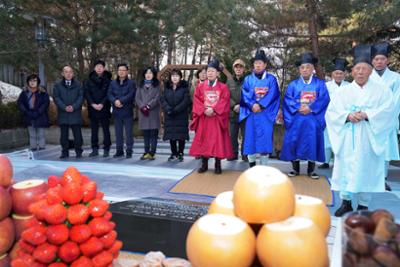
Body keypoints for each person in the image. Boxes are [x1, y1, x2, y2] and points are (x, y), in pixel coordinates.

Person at [326, 44, 395, 216]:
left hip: (369, 137)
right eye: (357, 69)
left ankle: (363, 204)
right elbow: (331, 113)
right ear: (352, 71)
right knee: (345, 166)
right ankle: (346, 202)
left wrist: (367, 114)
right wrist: (347, 116)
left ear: (371, 71)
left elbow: (389, 111)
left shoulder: (382, 91)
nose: (360, 72)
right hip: (348, 137)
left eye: (364, 69)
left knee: (367, 168)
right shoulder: (344, 92)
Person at [281, 52, 330, 179]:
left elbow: (324, 99)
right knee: (294, 141)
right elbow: (287, 100)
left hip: (312, 119)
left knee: (312, 141)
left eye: (308, 67)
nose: (305, 69)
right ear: (299, 70)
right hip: (296, 119)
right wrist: (298, 107)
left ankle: (311, 170)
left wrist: (310, 108)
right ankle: (295, 169)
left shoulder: (320, 84)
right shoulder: (293, 85)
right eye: (302, 67)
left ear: (313, 68)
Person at [189, 59, 234, 174]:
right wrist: (204, 110)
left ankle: (217, 164)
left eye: (212, 71)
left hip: (216, 118)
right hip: (204, 118)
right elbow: (197, 100)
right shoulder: (200, 86)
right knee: (204, 140)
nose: (210, 73)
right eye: (208, 71)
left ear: (218, 73)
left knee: (217, 141)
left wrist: (214, 109)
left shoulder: (223, 87)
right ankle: (204, 164)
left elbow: (225, 100)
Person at [239, 50, 280, 167]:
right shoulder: (248, 79)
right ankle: (252, 167)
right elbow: (245, 94)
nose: (257, 65)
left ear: (265, 65)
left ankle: (263, 168)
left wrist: (261, 105)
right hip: (252, 114)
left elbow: (273, 94)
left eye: (260, 63)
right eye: (255, 63)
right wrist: (252, 105)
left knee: (265, 141)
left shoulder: (271, 79)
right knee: (250, 140)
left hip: (265, 115)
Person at [369, 42, 400, 191]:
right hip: (369, 120)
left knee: (385, 150)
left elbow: (397, 101)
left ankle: (382, 179)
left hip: (388, 120)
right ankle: (369, 178)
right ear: (372, 61)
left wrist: (384, 116)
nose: (379, 62)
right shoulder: (366, 77)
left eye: (382, 59)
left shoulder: (396, 78)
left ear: (387, 60)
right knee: (370, 150)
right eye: (376, 59)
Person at [318, 58, 350, 169]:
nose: (338, 75)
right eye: (336, 73)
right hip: (329, 116)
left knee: (342, 140)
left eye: (341, 73)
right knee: (327, 139)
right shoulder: (326, 86)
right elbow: (322, 101)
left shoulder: (349, 86)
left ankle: (339, 162)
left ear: (345, 74)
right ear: (332, 74)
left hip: (344, 117)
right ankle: (326, 162)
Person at [53, 66, 84, 159]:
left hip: (75, 113)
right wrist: (64, 107)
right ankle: (64, 152)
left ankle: (79, 151)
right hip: (63, 113)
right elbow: (56, 98)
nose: (68, 74)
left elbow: (81, 97)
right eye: (66, 72)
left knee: (78, 135)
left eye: (70, 72)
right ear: (62, 74)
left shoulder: (78, 84)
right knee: (64, 135)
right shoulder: (57, 85)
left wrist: (73, 107)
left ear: (73, 73)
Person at [84, 60, 112, 157]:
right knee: (94, 130)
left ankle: (106, 149)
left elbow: (109, 93)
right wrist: (92, 104)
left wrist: (102, 104)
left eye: (101, 66)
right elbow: (87, 93)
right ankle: (94, 149)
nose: (99, 68)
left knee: (106, 130)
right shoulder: (89, 81)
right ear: (94, 68)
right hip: (93, 108)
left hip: (104, 108)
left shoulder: (108, 80)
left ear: (104, 68)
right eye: (97, 66)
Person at [161, 69, 190, 162]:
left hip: (181, 115)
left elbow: (186, 101)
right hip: (169, 115)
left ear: (180, 77)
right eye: (173, 76)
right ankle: (173, 153)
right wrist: (168, 109)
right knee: (171, 135)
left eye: (177, 76)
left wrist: (176, 110)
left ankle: (180, 153)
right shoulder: (167, 88)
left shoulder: (184, 88)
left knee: (181, 136)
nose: (175, 77)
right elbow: (163, 100)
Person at [108, 63, 136, 158]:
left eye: (123, 70)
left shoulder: (131, 83)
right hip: (116, 112)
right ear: (117, 71)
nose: (121, 72)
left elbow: (131, 94)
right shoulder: (112, 83)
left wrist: (121, 101)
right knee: (118, 133)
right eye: (120, 70)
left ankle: (129, 151)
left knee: (129, 133)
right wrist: (115, 101)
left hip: (127, 111)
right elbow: (109, 94)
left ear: (127, 72)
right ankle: (119, 151)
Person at [17, 74, 50, 151]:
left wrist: (38, 112)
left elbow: (45, 103)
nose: (32, 82)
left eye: (34, 80)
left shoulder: (43, 93)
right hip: (28, 116)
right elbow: (20, 103)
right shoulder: (24, 92)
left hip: (40, 116)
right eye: (30, 81)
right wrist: (26, 111)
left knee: (41, 134)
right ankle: (33, 148)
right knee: (32, 135)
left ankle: (42, 148)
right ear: (28, 82)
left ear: (38, 82)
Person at [136, 67, 161, 160]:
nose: (148, 74)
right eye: (146, 73)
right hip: (143, 113)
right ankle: (146, 151)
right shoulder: (140, 85)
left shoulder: (157, 85)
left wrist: (148, 106)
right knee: (145, 134)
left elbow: (157, 98)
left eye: (150, 73)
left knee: (153, 134)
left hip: (153, 113)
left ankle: (152, 152)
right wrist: (142, 106)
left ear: (153, 74)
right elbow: (137, 98)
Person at [227, 59, 246, 161]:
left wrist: (241, 105)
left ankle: (244, 154)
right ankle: (233, 154)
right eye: (236, 67)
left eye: (240, 67)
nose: (238, 69)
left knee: (245, 135)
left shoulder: (248, 81)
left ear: (243, 69)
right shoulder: (229, 81)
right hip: (232, 112)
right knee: (233, 135)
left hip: (244, 112)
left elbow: (250, 96)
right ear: (233, 69)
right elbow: (226, 96)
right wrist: (234, 105)